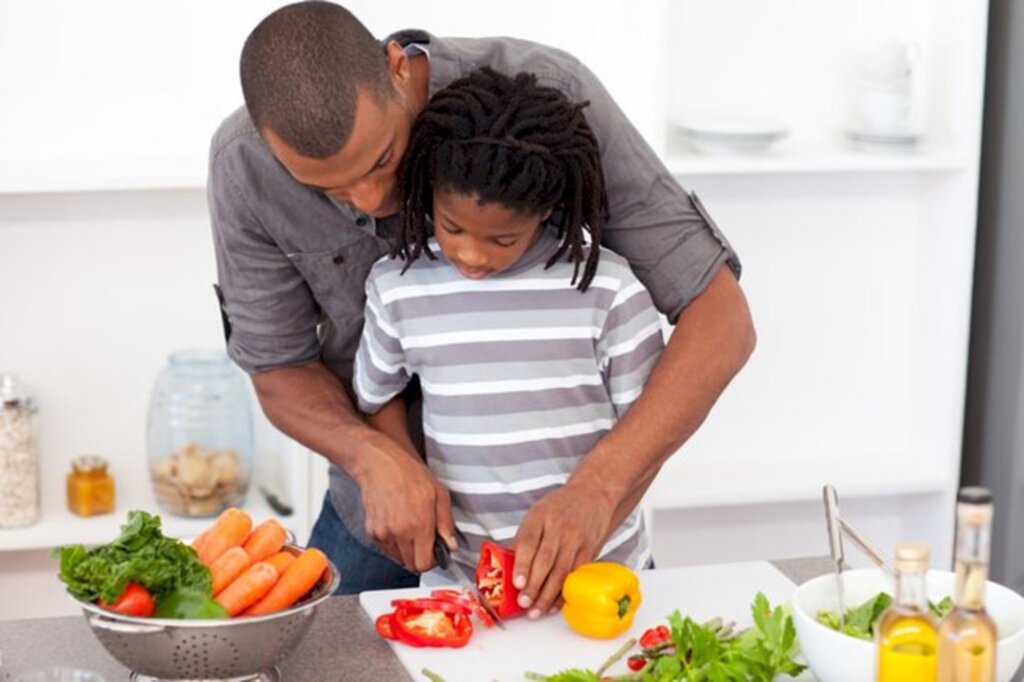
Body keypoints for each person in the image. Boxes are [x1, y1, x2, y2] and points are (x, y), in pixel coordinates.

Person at [209, 1, 755, 616]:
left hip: (574, 533)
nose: (373, 198)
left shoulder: (548, 98)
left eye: (383, 158)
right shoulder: (244, 165)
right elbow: (279, 370)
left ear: (395, 66)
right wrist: (375, 457)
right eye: (328, 189)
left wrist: (597, 491)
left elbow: (722, 320)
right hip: (377, 516)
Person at [354, 67, 664, 583]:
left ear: (544, 210)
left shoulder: (607, 290)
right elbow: (375, 397)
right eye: (452, 227)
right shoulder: (399, 287)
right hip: (461, 583)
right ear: (427, 188)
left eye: (503, 240)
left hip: (602, 575)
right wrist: (406, 471)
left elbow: (649, 435)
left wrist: (592, 513)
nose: (471, 255)